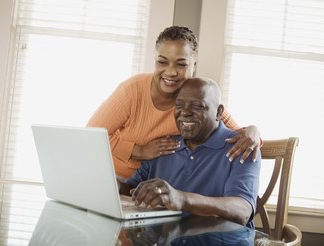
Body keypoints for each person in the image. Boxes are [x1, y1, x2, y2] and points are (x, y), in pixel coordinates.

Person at [87, 26, 260, 179]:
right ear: (154, 60)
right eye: (162, 62)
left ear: (194, 65)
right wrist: (140, 151)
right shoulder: (132, 90)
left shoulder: (200, 98)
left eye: (181, 65)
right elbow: (91, 135)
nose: (170, 72)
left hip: (158, 184)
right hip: (115, 177)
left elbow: (239, 135)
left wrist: (253, 131)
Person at [118, 78, 261, 228]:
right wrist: (111, 183)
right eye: (179, 105)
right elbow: (131, 190)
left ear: (218, 112)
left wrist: (180, 199)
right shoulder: (163, 146)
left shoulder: (242, 146)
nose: (185, 112)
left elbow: (243, 210)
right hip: (168, 241)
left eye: (197, 106)